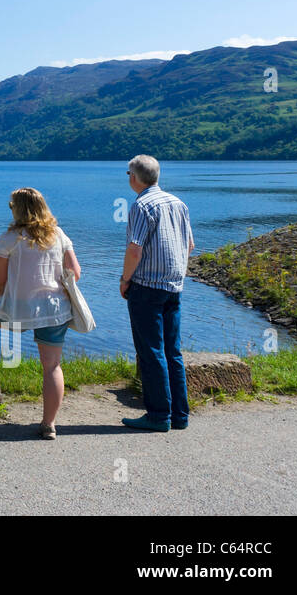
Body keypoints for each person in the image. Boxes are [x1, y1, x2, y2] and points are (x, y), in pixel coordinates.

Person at [0, 187, 81, 439]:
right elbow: (75, 272)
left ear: (17, 209)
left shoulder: (9, 238)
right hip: (54, 307)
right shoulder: (58, 235)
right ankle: (49, 425)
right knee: (52, 366)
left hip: (19, 305)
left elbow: (0, 279)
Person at [120, 155, 195, 432]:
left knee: (151, 352)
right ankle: (179, 415)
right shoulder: (178, 203)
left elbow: (135, 248)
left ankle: (158, 415)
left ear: (135, 178)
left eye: (128, 173)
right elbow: (189, 245)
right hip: (174, 286)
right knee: (172, 351)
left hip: (147, 287)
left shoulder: (141, 205)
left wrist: (125, 279)